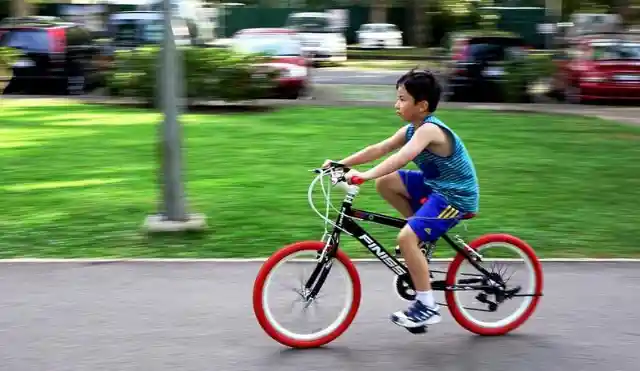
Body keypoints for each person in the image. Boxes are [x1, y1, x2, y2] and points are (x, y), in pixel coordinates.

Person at [321, 69, 479, 330]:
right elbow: (380, 149)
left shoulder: (430, 131)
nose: (396, 104)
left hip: (455, 197)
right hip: (435, 186)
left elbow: (402, 157)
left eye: (403, 99)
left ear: (422, 105)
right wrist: (340, 163)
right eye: (397, 98)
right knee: (387, 182)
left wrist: (365, 175)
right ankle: (419, 236)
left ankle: (427, 306)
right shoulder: (411, 129)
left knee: (405, 238)